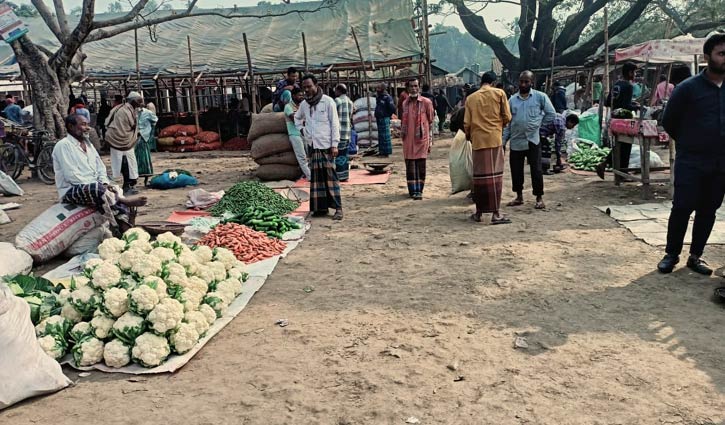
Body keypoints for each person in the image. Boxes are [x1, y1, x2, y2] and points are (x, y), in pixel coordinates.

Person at [656, 34, 725, 275]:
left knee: (709, 210)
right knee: (682, 207)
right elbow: (669, 122)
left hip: (721, 164)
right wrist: (691, 144)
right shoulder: (688, 89)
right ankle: (671, 254)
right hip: (691, 161)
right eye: (721, 53)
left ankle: (696, 256)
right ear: (707, 58)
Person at [52, 114, 147, 236]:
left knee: (113, 187)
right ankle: (122, 202)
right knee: (98, 190)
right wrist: (100, 187)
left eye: (88, 124)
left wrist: (105, 184)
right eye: (83, 124)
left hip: (95, 188)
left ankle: (124, 225)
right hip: (71, 190)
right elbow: (72, 176)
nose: (87, 128)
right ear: (70, 126)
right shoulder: (63, 146)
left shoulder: (89, 145)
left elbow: (101, 168)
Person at [464, 71, 512, 224]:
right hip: (494, 139)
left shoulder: (471, 99)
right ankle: (496, 213)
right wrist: (499, 126)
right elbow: (507, 117)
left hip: (478, 141)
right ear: (493, 81)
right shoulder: (499, 94)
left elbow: (467, 123)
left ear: (481, 82)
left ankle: (479, 212)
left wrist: (469, 135)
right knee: (495, 177)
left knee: (480, 177)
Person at [503, 70, 556, 210]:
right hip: (516, 141)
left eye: (526, 81)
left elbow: (551, 114)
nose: (523, 84)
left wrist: (539, 127)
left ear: (531, 83)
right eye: (521, 81)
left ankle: (539, 198)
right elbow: (508, 123)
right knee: (516, 170)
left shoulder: (540, 97)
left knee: (536, 170)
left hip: (533, 140)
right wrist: (503, 142)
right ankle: (519, 196)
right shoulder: (512, 100)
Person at [294, 74, 343, 220]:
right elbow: (297, 118)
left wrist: (335, 144)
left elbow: (335, 124)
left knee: (330, 178)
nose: (307, 90)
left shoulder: (328, 102)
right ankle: (320, 208)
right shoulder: (304, 105)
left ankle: (338, 208)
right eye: (304, 88)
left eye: (309, 86)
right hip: (313, 146)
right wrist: (302, 131)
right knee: (316, 179)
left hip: (326, 145)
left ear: (316, 85)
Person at [596, 62, 640, 179]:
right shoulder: (629, 86)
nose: (635, 75)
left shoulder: (617, 84)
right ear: (630, 72)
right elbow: (626, 105)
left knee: (619, 144)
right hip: (624, 120)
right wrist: (636, 106)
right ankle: (622, 173)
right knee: (626, 145)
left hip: (614, 119)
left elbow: (608, 101)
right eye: (634, 72)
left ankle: (605, 165)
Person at [400, 79, 435, 200]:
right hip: (408, 139)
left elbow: (430, 121)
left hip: (421, 139)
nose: (414, 88)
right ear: (408, 88)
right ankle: (412, 190)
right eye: (411, 86)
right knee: (410, 164)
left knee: (420, 165)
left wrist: (430, 140)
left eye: (416, 86)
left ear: (419, 88)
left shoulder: (426, 102)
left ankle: (419, 190)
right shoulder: (405, 103)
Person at [105, 91, 143, 196]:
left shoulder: (127, 109)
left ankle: (129, 183)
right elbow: (122, 128)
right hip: (119, 140)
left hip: (124, 140)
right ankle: (126, 186)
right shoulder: (124, 111)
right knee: (124, 162)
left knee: (129, 161)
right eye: (139, 101)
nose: (141, 104)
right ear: (133, 101)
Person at [281, 88, 311, 180]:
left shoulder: (302, 105)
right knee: (301, 156)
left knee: (308, 155)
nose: (302, 97)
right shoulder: (288, 107)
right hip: (294, 134)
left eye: (302, 95)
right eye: (299, 95)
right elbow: (295, 119)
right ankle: (310, 176)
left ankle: (307, 173)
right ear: (293, 96)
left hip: (304, 132)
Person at [334, 84, 354, 182]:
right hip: (347, 132)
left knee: (338, 154)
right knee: (344, 154)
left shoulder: (337, 101)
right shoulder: (350, 102)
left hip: (338, 132)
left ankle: (339, 175)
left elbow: (333, 116)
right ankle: (345, 175)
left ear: (339, 90)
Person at [135, 100, 158, 177]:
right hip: (135, 135)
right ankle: (137, 171)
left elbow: (155, 120)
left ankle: (146, 171)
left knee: (144, 154)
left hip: (144, 135)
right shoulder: (134, 113)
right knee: (136, 154)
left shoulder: (147, 112)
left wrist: (148, 129)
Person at [375, 82, 396, 158]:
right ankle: (381, 151)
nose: (377, 89)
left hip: (384, 118)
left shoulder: (387, 97)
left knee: (385, 136)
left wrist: (387, 114)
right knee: (381, 136)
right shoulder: (379, 97)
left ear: (383, 89)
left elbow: (392, 108)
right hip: (379, 118)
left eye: (379, 88)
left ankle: (386, 152)